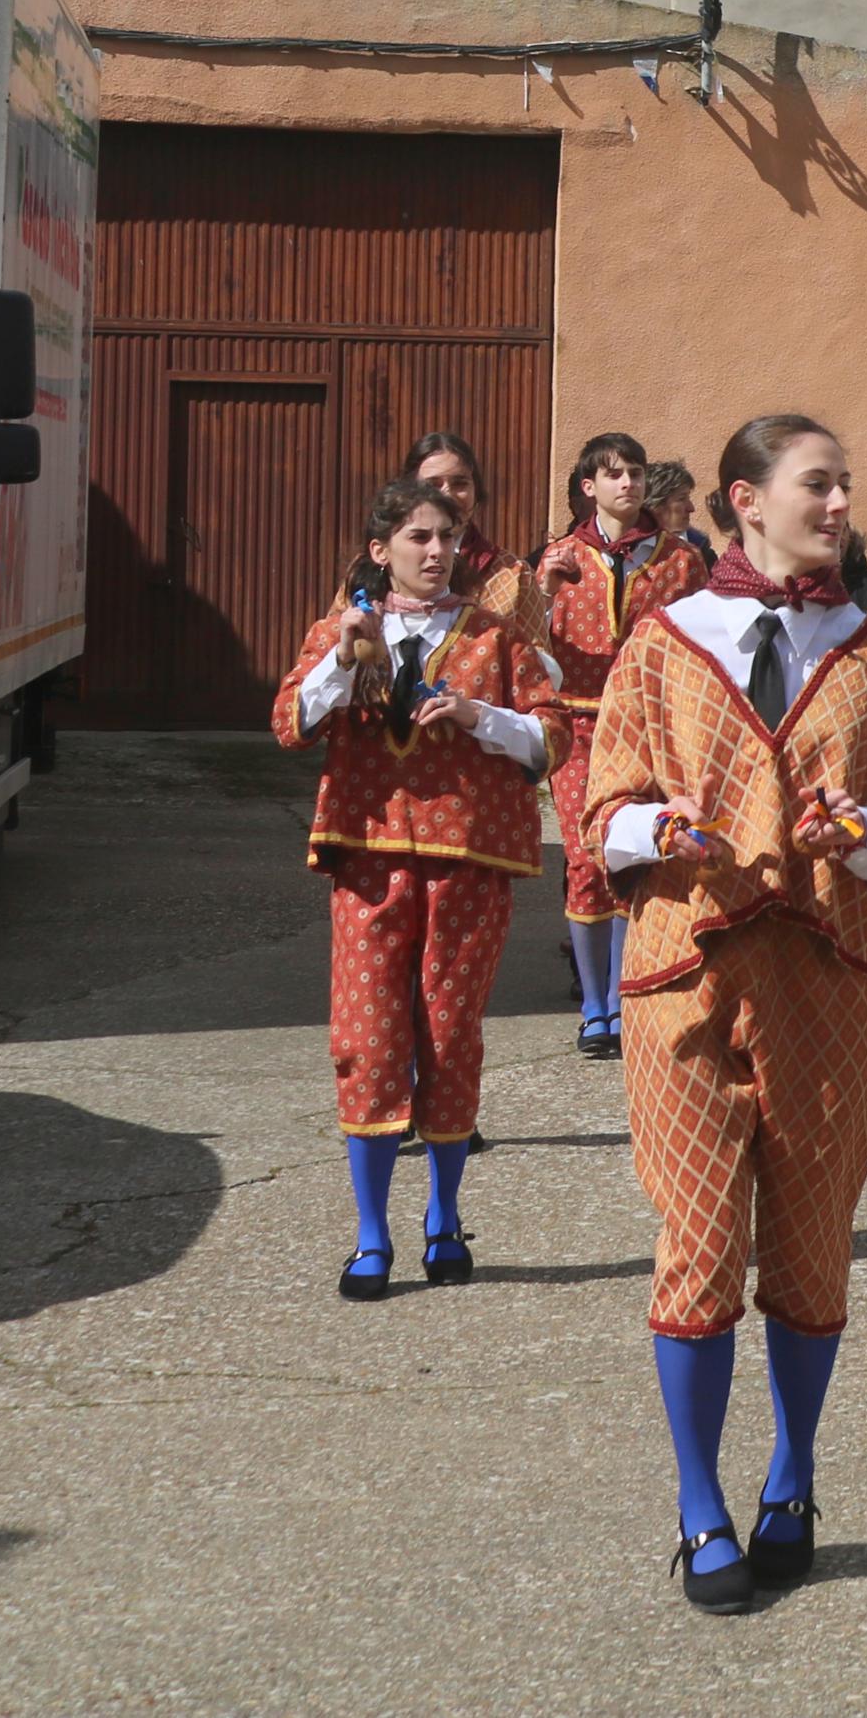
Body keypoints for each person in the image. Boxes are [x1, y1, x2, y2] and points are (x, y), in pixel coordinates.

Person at [584, 414, 867, 1615]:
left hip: (830, 975)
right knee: (694, 1240)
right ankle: (697, 1501)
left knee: (811, 1238)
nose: (838, 504)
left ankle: (791, 1472)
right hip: (686, 970)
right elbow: (605, 804)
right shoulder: (663, 641)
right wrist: (655, 829)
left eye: (845, 483)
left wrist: (864, 830)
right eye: (816, 484)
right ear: (746, 498)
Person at [276, 474, 559, 1301]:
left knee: (447, 1034)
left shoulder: (495, 636)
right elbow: (291, 721)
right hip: (366, 858)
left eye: (447, 538)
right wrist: (342, 652)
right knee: (365, 1042)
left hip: (468, 860)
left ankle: (443, 1211)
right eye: (419, 538)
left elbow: (554, 737)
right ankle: (371, 1230)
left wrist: (477, 716)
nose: (436, 553)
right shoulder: (340, 630)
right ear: (381, 550)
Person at [539, 430, 709, 1059]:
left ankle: (622, 995)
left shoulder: (680, 559)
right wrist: (545, 591)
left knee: (635, 857)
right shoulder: (557, 557)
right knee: (586, 856)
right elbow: (528, 644)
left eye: (635, 473)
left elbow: (701, 645)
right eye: (613, 475)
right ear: (589, 488)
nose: (628, 484)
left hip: (652, 724)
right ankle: (593, 1004)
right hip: (580, 722)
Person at [406, 427, 549, 652]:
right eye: (433, 484)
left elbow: (540, 667)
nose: (447, 494)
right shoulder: (378, 568)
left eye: (460, 484)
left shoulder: (513, 576)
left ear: (477, 492)